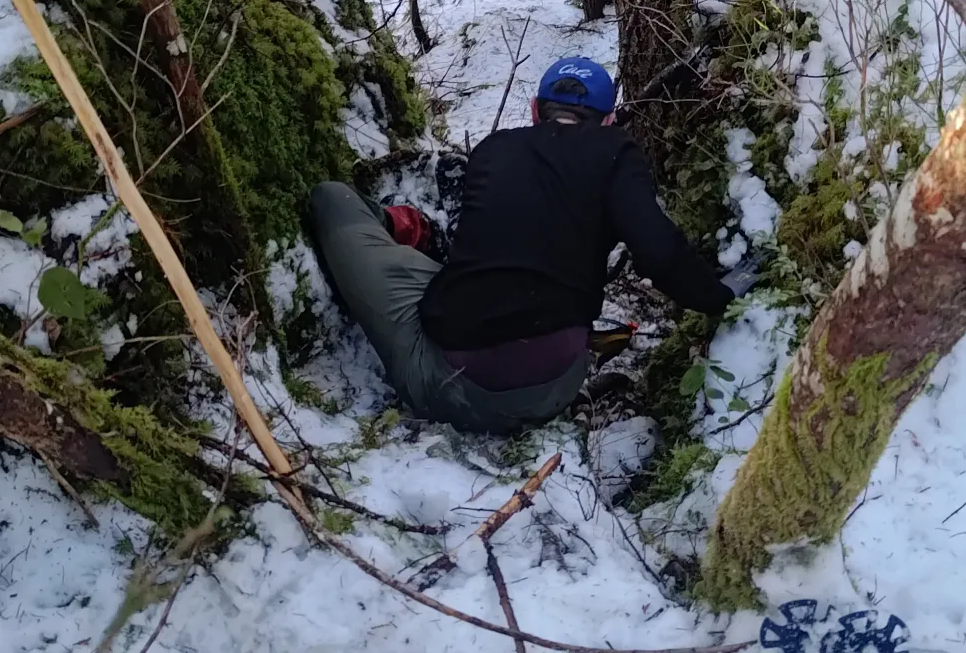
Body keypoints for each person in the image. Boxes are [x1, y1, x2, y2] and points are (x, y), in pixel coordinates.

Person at [307, 56, 760, 434]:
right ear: (608, 120)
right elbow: (658, 251)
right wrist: (719, 296)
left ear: (533, 110)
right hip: (555, 384)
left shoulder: (492, 148)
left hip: (451, 385)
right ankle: (411, 231)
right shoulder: (616, 152)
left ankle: (395, 225)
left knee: (332, 199)